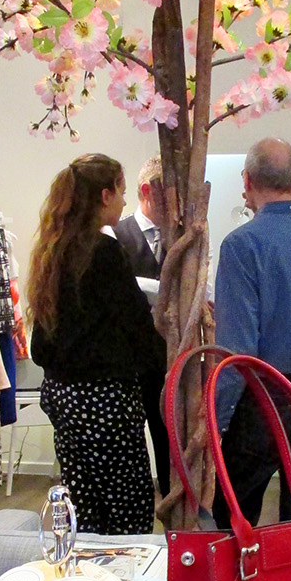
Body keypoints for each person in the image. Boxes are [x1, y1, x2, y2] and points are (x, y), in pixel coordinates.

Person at [28, 155, 164, 535]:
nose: (124, 201)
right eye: (120, 191)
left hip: (63, 397)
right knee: (129, 508)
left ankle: (87, 570)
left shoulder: (53, 249)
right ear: (105, 195)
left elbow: (42, 342)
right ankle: (125, 574)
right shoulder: (103, 251)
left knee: (84, 508)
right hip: (104, 399)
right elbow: (137, 326)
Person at [212, 139, 291, 526]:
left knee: (234, 513)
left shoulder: (241, 244)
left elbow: (237, 347)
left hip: (266, 393)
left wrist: (215, 417)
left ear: (247, 181)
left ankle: (242, 569)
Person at [113, 157, 171, 498]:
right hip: (128, 360)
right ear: (148, 191)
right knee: (128, 442)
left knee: (168, 439)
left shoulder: (179, 236)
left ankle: (172, 507)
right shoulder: (115, 236)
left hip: (168, 358)